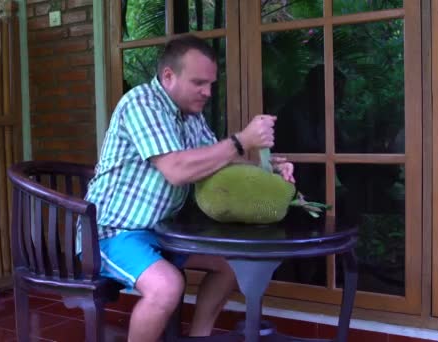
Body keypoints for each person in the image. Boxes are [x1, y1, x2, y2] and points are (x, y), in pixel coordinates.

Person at [79, 34, 295, 342]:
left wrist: (268, 171)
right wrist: (241, 140)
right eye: (199, 83)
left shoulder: (190, 117)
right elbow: (177, 170)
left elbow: (216, 164)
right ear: (168, 76)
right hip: (109, 232)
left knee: (230, 266)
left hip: (159, 232)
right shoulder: (141, 103)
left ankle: (199, 338)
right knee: (167, 287)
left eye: (210, 84)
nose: (207, 92)